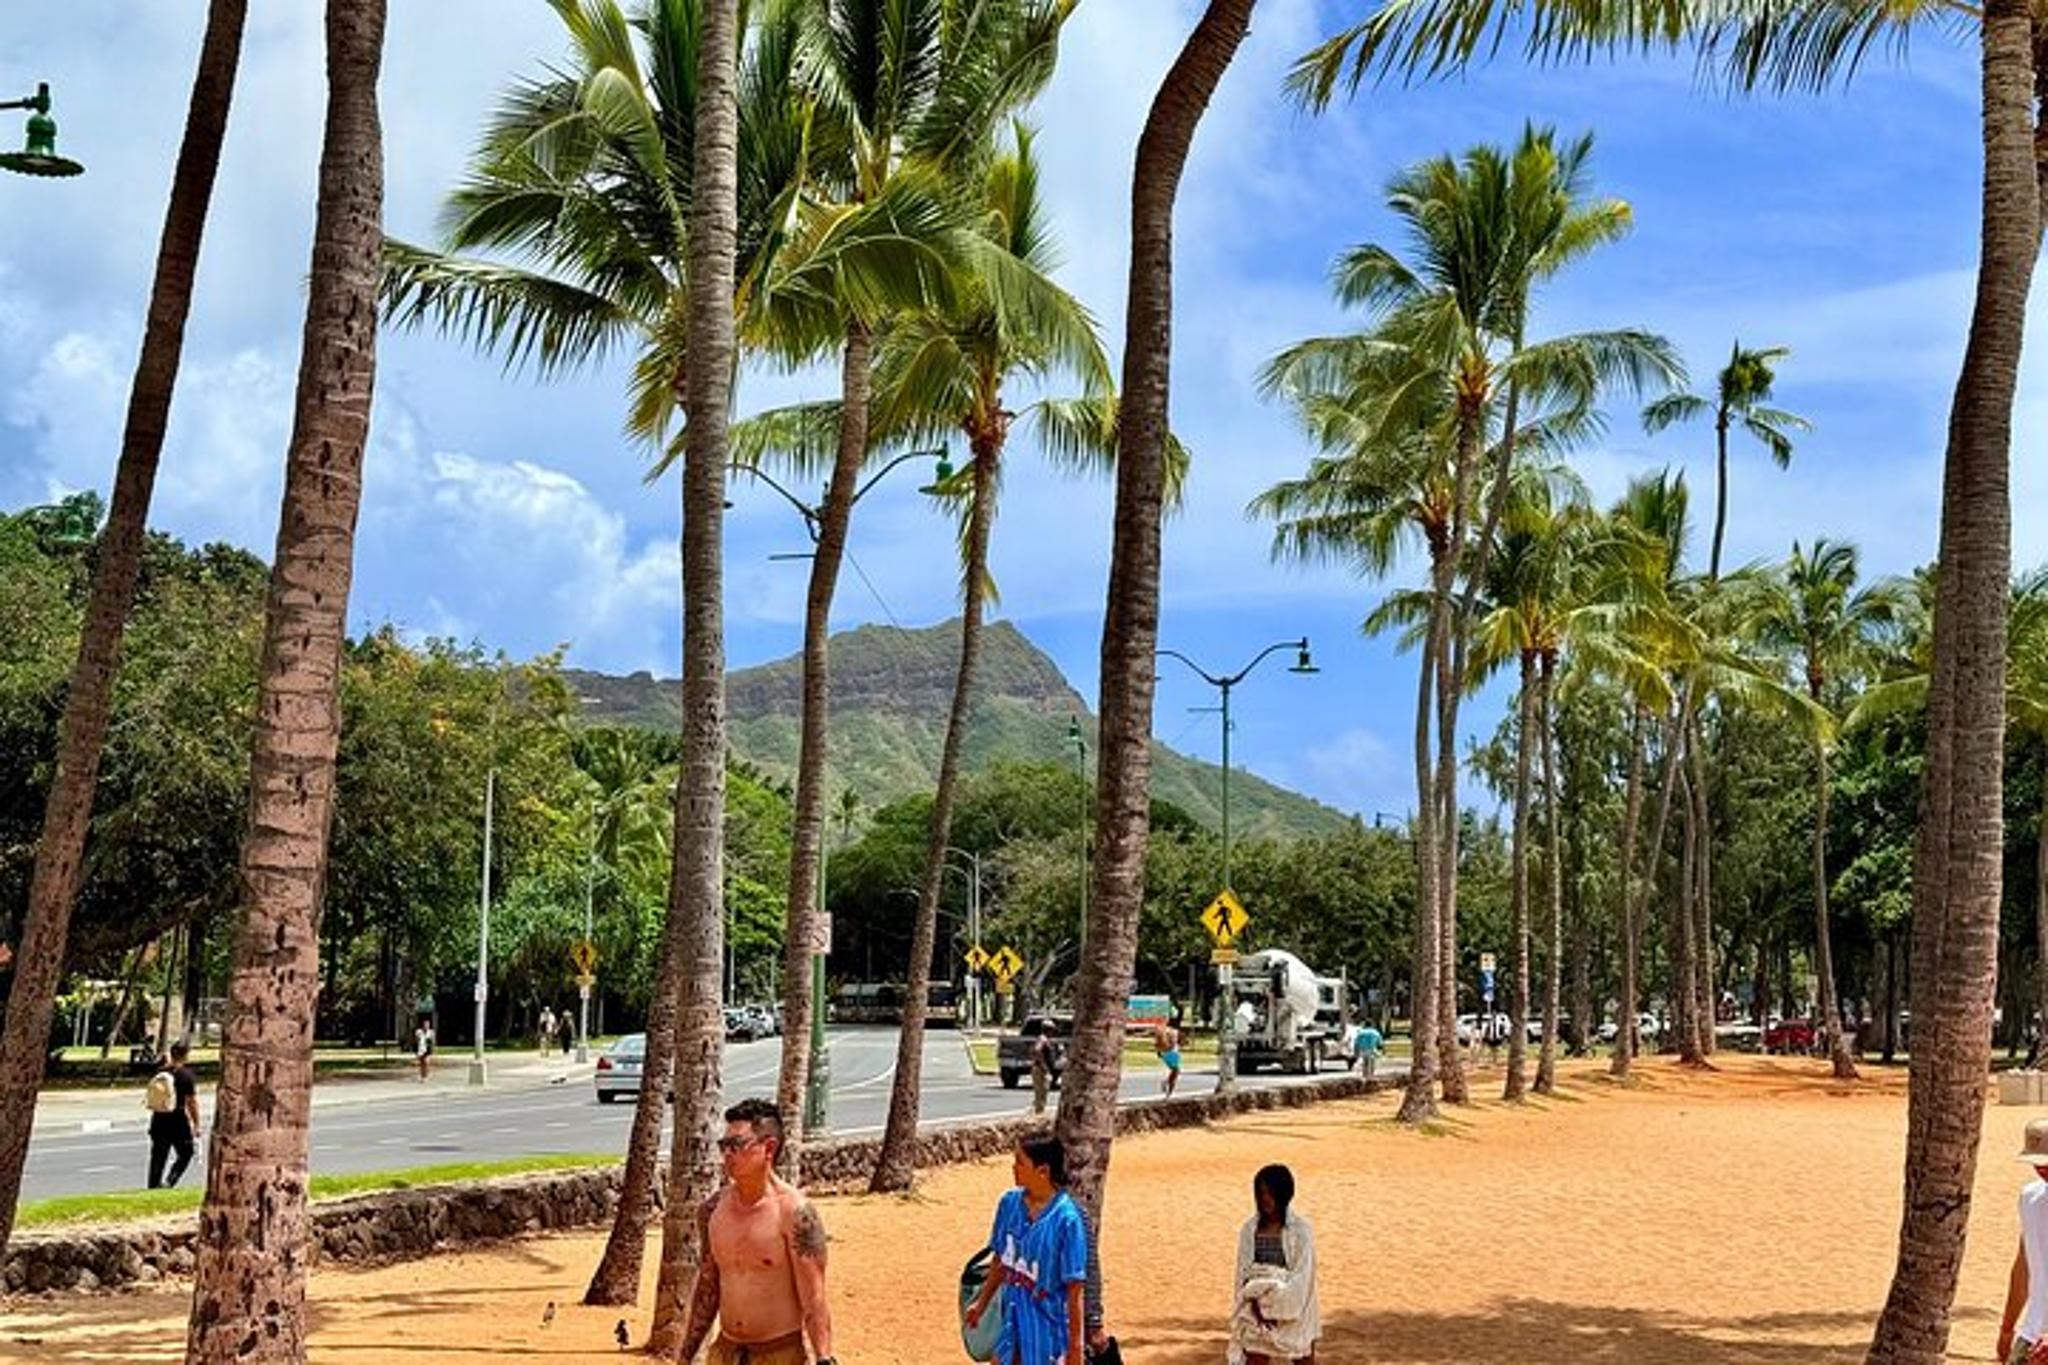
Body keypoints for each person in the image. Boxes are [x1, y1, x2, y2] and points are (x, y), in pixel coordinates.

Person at [677, 1098, 837, 1365]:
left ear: (769, 1148)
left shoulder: (795, 1213)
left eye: (737, 1145)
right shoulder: (712, 1210)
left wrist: (824, 1358)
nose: (727, 1154)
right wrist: (685, 1355)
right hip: (726, 1353)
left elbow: (814, 1298)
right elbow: (708, 1287)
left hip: (779, 1355)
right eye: (724, 1146)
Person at [964, 1133, 1089, 1365]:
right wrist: (980, 1304)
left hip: (1048, 1335)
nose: (1014, 1168)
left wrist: (1076, 1346)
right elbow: (1000, 1260)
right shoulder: (1009, 1204)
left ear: (1042, 1171)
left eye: (1020, 1163)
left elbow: (1075, 1290)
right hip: (1012, 1325)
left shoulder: (1067, 1220)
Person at [1229, 1164, 1319, 1365]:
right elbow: (1243, 1275)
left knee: (1303, 1358)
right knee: (1254, 1358)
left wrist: (1279, 1308)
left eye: (1270, 1193)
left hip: (1297, 1308)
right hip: (1256, 1309)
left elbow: (1303, 1277)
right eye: (1260, 1193)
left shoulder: (1302, 1230)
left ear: (1284, 1193)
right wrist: (1256, 1308)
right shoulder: (1249, 1230)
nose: (1265, 1199)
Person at [1999, 1119, 2048, 1364]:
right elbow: (2024, 1266)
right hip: (2032, 1335)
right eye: (2037, 1163)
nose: (2042, 1169)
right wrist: (2007, 1328)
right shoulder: (2030, 1198)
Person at [145, 1040, 200, 1190]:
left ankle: (153, 1185)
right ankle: (170, 1182)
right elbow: (192, 1102)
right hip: (178, 1120)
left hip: (158, 1117)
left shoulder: (160, 1072)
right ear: (186, 1055)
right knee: (186, 1152)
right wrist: (196, 1124)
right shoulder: (186, 1076)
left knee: (158, 1155)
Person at [1155, 1016, 1183, 1099]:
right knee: (1176, 1072)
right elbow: (1175, 1043)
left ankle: (1168, 1091)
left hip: (1165, 1054)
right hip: (1173, 1053)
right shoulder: (1175, 1032)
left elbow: (1157, 1043)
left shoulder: (1162, 1031)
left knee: (1174, 1072)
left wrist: (1159, 1052)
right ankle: (1167, 1087)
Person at [414, 1017, 434, 1082]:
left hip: (428, 1049)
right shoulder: (419, 1032)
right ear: (423, 1025)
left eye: (428, 1025)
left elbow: (432, 1042)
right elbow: (416, 1041)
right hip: (421, 1048)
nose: (426, 1026)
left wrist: (432, 1049)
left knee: (426, 1062)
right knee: (422, 1063)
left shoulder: (431, 1032)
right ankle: (422, 1076)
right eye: (425, 1025)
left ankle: (426, 1075)